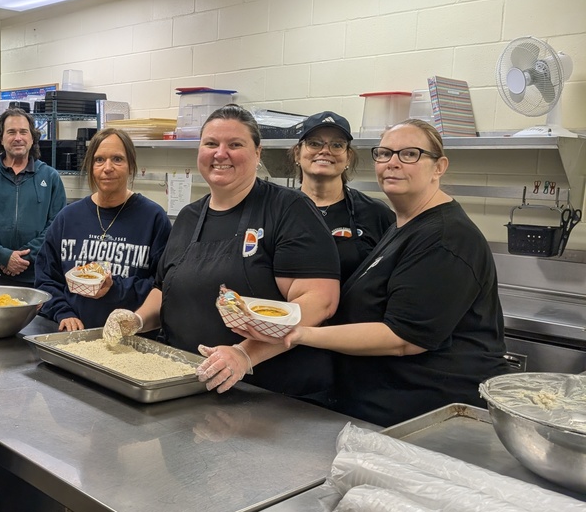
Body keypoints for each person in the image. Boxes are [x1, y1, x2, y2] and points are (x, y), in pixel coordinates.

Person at [280, 119, 509, 426]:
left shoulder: (446, 237)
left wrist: (303, 334)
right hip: (376, 404)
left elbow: (403, 338)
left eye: (410, 154)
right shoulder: (404, 225)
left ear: (438, 166)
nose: (393, 163)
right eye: (385, 153)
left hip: (425, 418)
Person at [106, 104, 340, 401]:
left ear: (258, 153)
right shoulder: (189, 217)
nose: (220, 153)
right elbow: (165, 289)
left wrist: (244, 355)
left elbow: (320, 301)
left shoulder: (288, 209)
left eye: (235, 145)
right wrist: (136, 320)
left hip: (269, 395)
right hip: (189, 385)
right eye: (211, 144)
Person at [36, 127, 171, 330]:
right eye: (99, 160)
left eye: (117, 159)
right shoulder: (68, 218)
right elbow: (46, 279)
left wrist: (115, 288)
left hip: (132, 340)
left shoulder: (153, 219)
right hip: (74, 337)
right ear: (91, 166)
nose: (107, 167)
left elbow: (163, 286)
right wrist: (62, 311)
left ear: (131, 166)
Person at [0, 107, 66, 285]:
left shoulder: (50, 177)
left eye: (23, 132)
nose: (18, 137)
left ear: (32, 137)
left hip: (37, 274)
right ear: (1, 138)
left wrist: (21, 259)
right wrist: (4, 256)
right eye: (11, 132)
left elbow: (56, 227)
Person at [291, 111, 394, 281]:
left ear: (348, 157)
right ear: (297, 153)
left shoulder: (375, 213)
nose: (325, 151)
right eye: (314, 143)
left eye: (337, 145)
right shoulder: (278, 209)